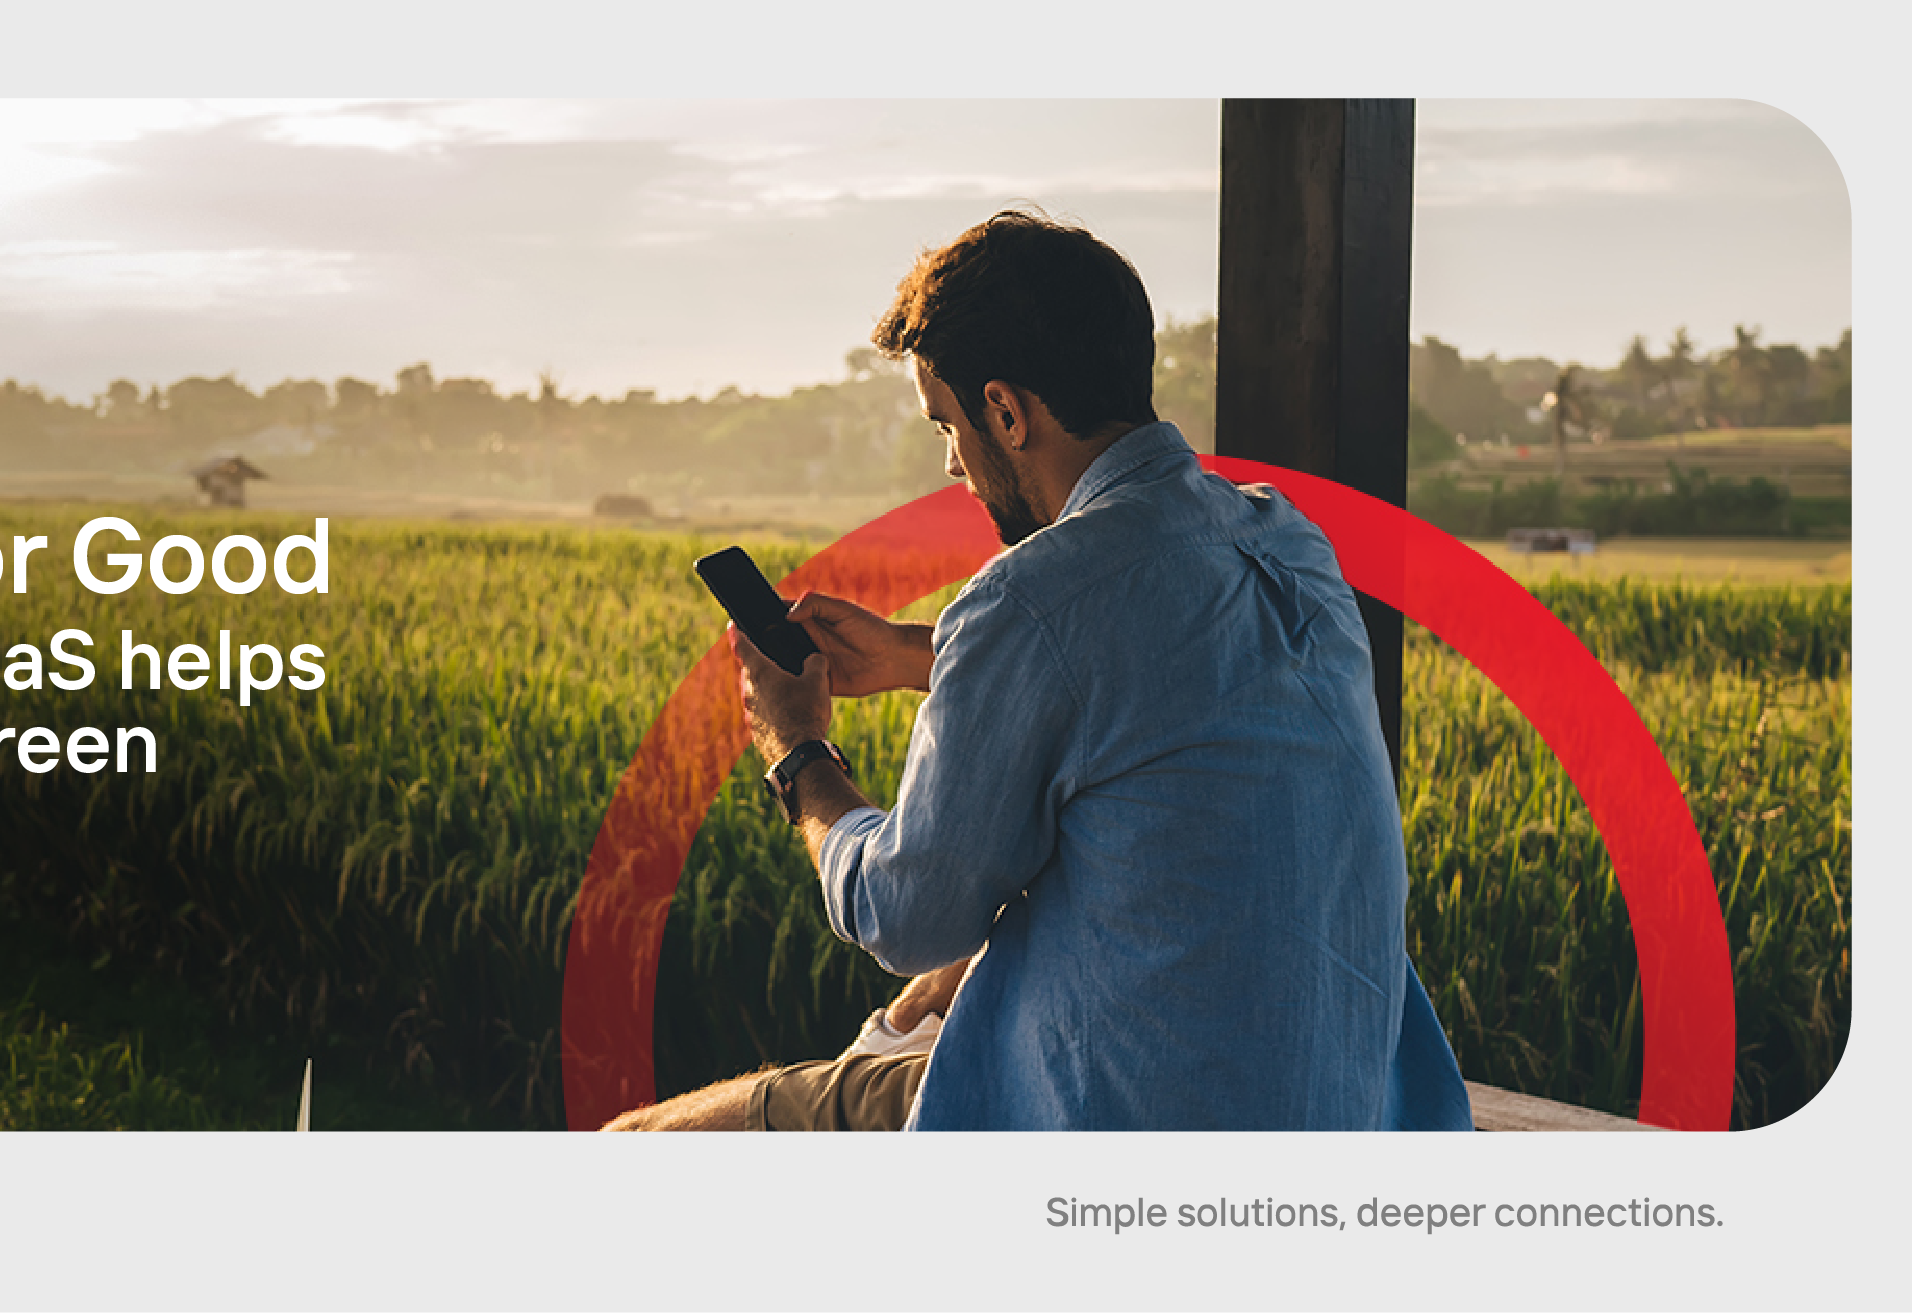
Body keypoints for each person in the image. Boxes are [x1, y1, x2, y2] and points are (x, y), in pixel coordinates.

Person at [605, 208, 1473, 1132]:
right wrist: (914, 656)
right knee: (963, 964)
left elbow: (902, 910)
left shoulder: (1032, 599)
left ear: (1007, 412)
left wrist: (799, 755)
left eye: (948, 423)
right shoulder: (1287, 540)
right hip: (1352, 1102)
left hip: (1133, 1118)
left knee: (638, 1144)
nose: (952, 463)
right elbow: (1157, 685)